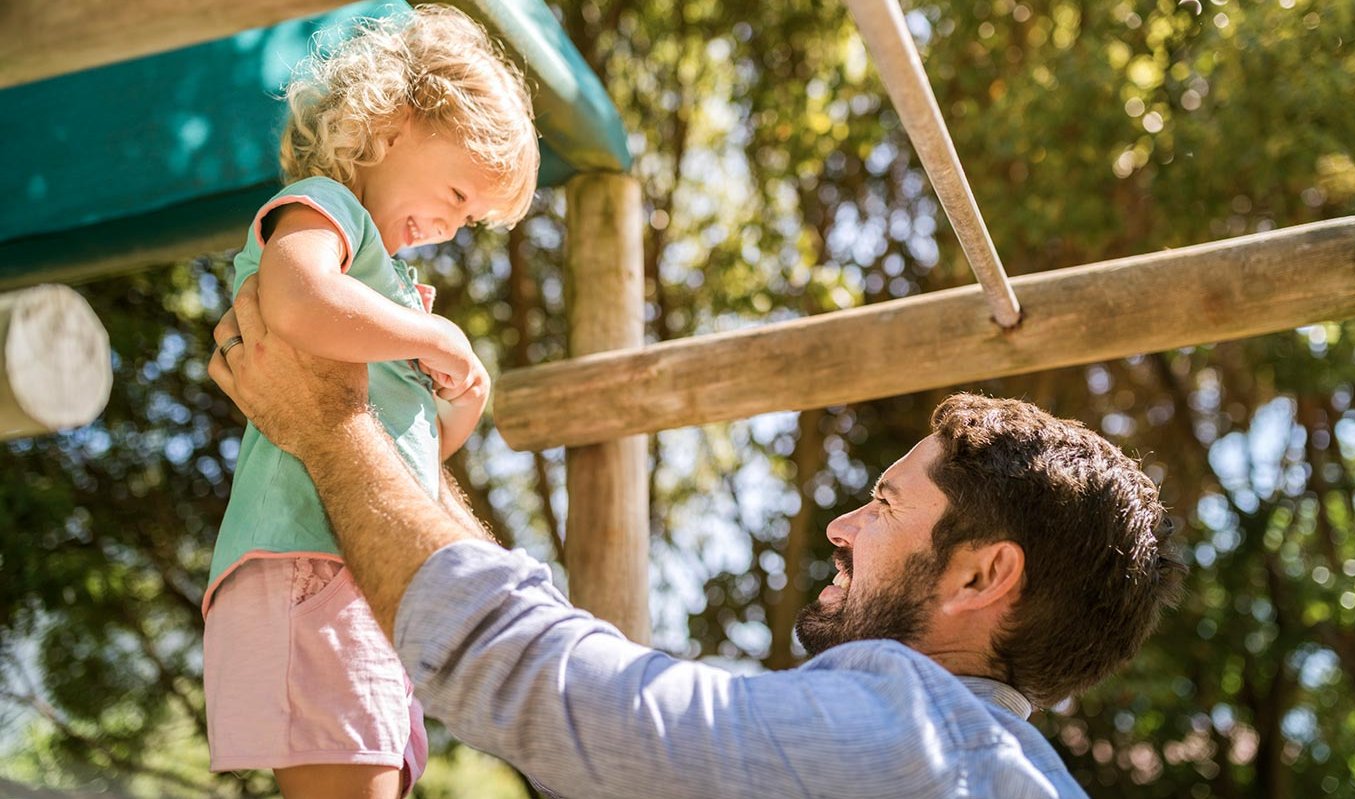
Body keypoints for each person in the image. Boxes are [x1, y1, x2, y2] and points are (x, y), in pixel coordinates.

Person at [208, 278, 1187, 799]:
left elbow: (538, 683)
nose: (842, 527)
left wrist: (335, 423)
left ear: (981, 572)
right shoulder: (992, 768)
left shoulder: (914, 735)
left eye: (884, 506)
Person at [201, 6, 539, 798]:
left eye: (469, 220)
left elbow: (406, 464)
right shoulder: (325, 207)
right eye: (456, 193)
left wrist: (454, 404)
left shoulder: (381, 289)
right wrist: (430, 339)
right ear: (391, 123)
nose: (452, 229)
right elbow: (294, 297)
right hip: (312, 566)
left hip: (355, 565)